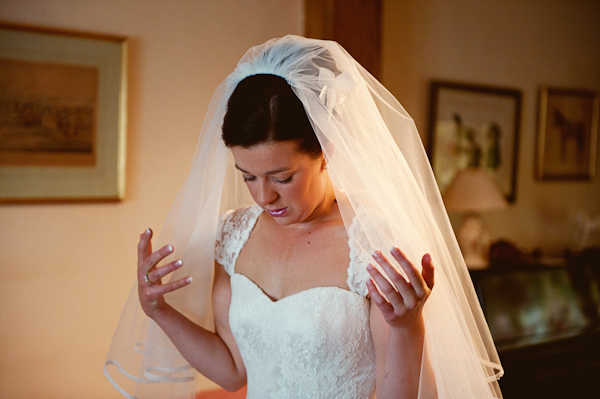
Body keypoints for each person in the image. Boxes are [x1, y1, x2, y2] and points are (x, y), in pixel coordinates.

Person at [105, 36, 503, 399]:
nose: (264, 196)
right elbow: (231, 371)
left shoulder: (374, 241)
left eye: (283, 177)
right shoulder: (234, 235)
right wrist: (158, 310)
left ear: (325, 149)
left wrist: (406, 328)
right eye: (248, 177)